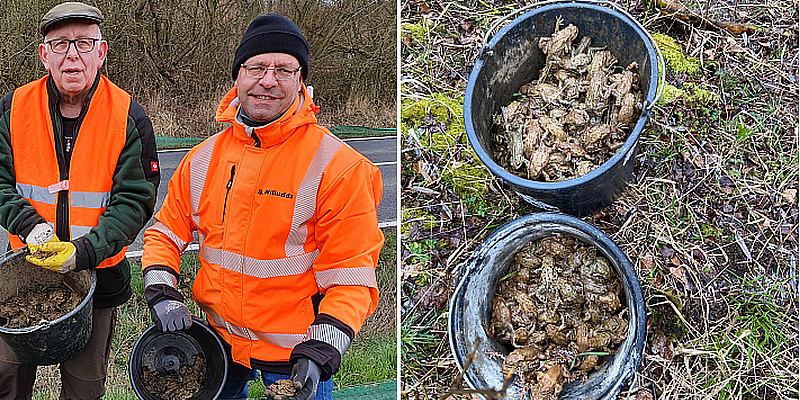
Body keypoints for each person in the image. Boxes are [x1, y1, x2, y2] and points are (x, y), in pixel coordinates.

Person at [141, 13, 384, 400]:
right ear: (237, 76)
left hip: (296, 353)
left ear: (300, 80)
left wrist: (323, 348)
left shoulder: (340, 167)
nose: (268, 81)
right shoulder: (203, 159)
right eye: (257, 67)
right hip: (217, 340)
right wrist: (161, 291)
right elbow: (165, 232)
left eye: (284, 70)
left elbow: (351, 273)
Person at [0, 2, 160, 399]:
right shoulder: (12, 108)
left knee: (85, 390)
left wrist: (84, 251)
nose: (72, 54)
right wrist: (31, 228)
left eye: (84, 43)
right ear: (44, 55)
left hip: (99, 279)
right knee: (5, 380)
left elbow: (135, 200)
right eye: (60, 44)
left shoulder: (128, 116)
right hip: (25, 274)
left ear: (101, 52)